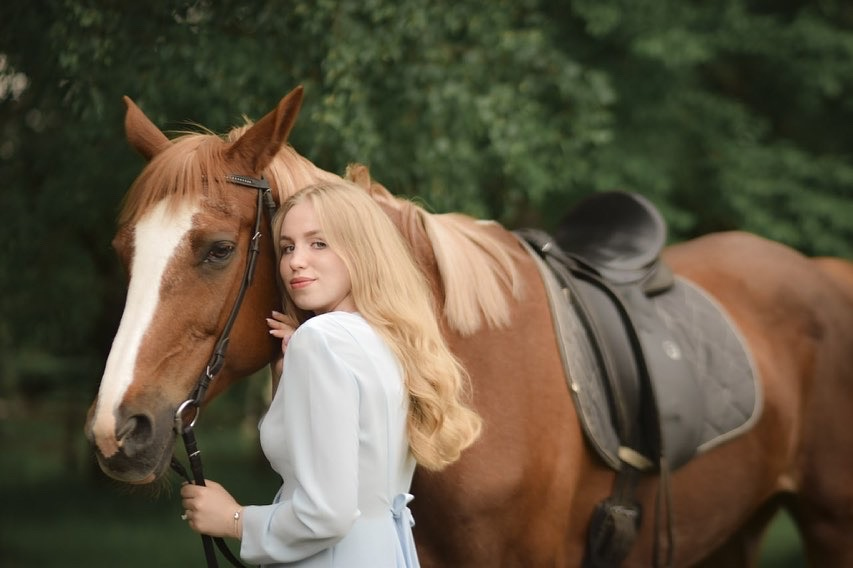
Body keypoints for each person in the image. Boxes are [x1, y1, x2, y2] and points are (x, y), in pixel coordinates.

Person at [180, 180, 483, 567]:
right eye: (287, 247)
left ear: (362, 251)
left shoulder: (321, 340)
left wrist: (235, 519)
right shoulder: (390, 341)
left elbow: (327, 514)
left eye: (318, 243)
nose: (295, 261)